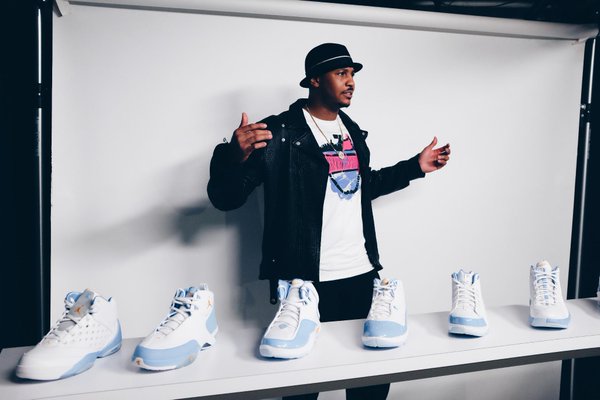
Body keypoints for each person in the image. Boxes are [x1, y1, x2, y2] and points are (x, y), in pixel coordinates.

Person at [207, 43, 450, 400]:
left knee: (370, 380)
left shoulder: (352, 131)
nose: (351, 82)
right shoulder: (279, 132)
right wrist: (233, 156)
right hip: (305, 279)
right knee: (302, 386)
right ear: (315, 80)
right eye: (341, 73)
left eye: (352, 74)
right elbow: (225, 198)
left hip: (360, 273)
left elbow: (361, 187)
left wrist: (415, 166)